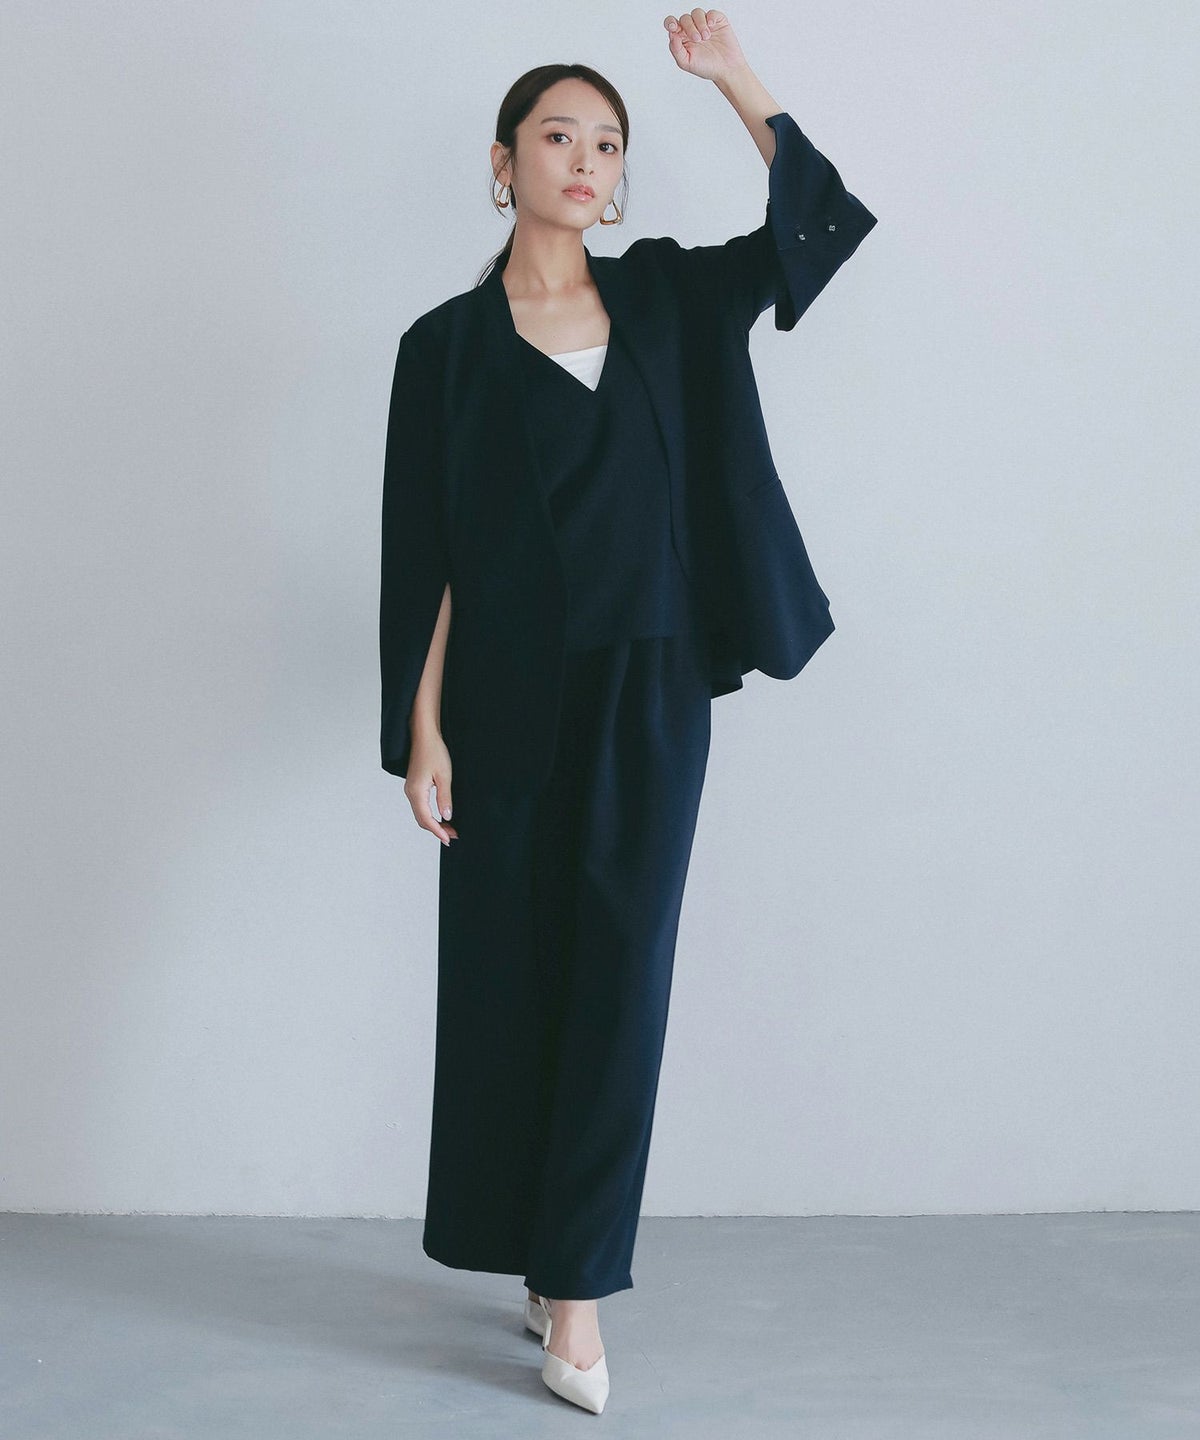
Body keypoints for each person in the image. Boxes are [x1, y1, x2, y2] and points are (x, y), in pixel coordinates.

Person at [379, 10, 878, 1414]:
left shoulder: (666, 296)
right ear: (504, 164)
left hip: (651, 688)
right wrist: (422, 729)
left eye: (608, 143)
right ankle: (537, 1249)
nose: (587, 160)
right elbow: (426, 554)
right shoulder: (445, 349)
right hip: (503, 698)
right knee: (509, 975)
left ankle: (581, 1285)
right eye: (559, 136)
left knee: (622, 976)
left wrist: (731, 78)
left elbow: (822, 229)